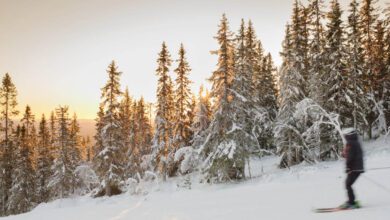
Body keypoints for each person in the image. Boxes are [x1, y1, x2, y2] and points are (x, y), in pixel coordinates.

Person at [340, 128, 364, 209]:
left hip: (354, 168)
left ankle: (351, 203)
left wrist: (348, 168)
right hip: (357, 168)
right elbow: (350, 154)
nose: (344, 137)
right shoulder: (355, 142)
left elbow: (350, 157)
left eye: (345, 135)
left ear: (348, 135)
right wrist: (344, 154)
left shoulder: (350, 143)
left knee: (348, 184)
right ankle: (351, 201)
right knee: (348, 184)